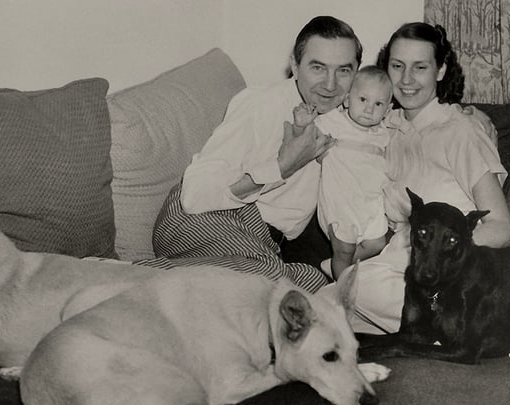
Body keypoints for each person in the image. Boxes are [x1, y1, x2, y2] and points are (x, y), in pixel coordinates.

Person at [148, 16, 363, 292]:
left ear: (357, 72)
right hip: (205, 216)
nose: (330, 85)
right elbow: (194, 196)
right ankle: (117, 272)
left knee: (313, 284)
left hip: (259, 244)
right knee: (275, 283)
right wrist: (282, 166)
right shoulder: (260, 105)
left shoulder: (349, 123)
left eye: (343, 71)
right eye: (318, 67)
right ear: (295, 67)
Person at [348, 22, 510, 335]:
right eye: (397, 66)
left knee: (355, 286)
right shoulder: (387, 127)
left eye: (420, 67)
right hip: (396, 269)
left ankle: (454, 330)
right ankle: (428, 335)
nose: (406, 80)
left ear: (440, 71)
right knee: (324, 303)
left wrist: (442, 256)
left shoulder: (460, 132)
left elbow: (503, 228)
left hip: (449, 277)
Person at [292, 65, 394, 280]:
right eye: (363, 100)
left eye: (378, 104)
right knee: (344, 249)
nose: (369, 109)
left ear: (387, 110)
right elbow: (306, 143)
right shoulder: (334, 122)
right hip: (341, 202)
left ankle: (336, 265)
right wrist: (301, 125)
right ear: (347, 100)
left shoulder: (384, 134)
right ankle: (341, 290)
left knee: (378, 243)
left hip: (370, 203)